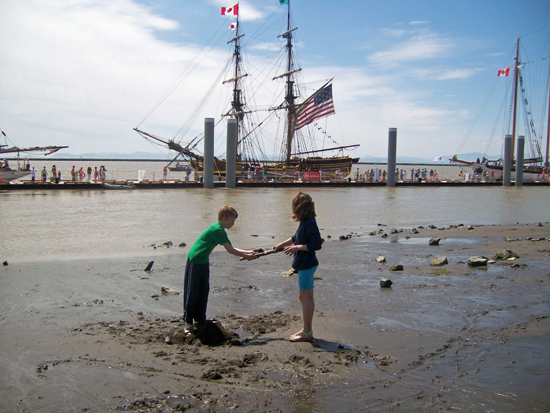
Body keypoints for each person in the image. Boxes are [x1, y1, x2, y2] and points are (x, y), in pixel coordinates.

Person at [183, 205, 256, 334]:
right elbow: (230, 251)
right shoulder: (216, 230)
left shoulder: (222, 231)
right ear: (224, 218)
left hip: (204, 260)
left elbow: (232, 247)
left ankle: (200, 319)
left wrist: (250, 252)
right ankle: (188, 322)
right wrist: (246, 255)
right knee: (192, 292)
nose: (233, 224)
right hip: (195, 260)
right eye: (232, 221)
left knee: (204, 290)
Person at [273, 192, 322, 342]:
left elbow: (317, 244)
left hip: (306, 265)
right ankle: (307, 330)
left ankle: (307, 332)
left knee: (303, 297)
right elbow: (296, 237)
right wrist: (282, 244)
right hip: (306, 264)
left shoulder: (310, 223)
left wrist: (297, 248)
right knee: (308, 297)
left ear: (300, 208)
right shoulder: (305, 222)